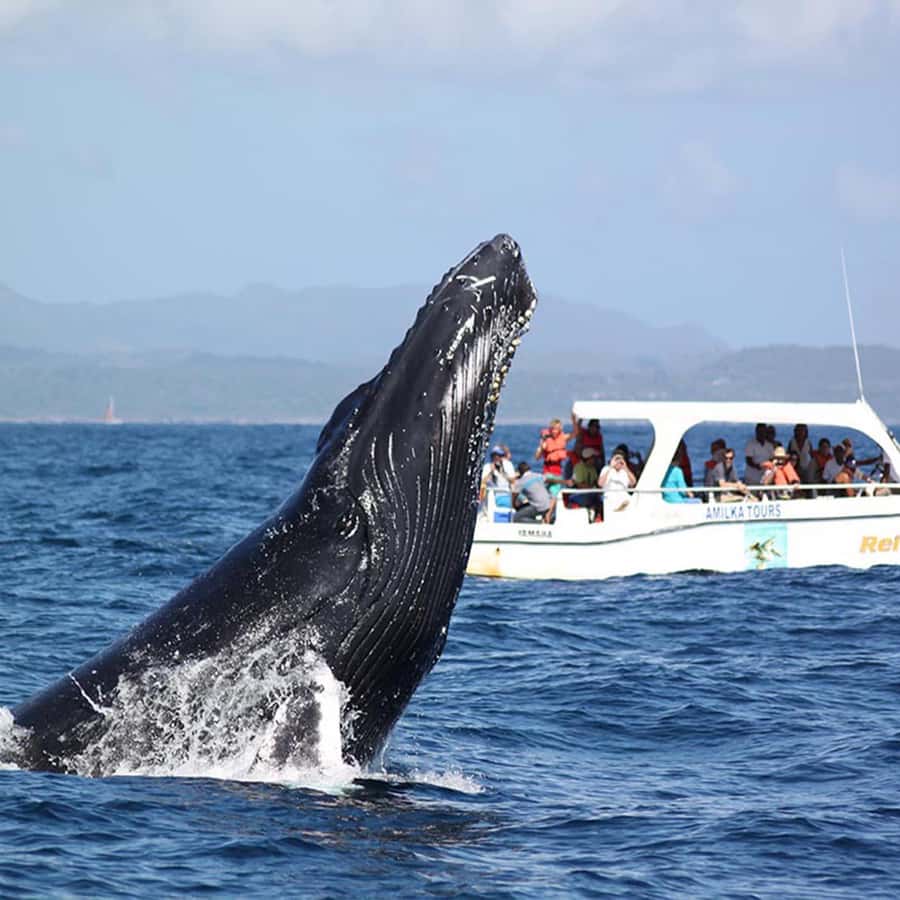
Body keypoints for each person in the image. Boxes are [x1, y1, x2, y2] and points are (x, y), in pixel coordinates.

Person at [535, 417, 574, 482]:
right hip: (547, 472)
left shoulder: (563, 438)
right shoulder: (546, 441)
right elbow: (537, 457)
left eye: (556, 429)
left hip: (558, 472)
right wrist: (541, 447)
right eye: (553, 429)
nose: (554, 431)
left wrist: (575, 420)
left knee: (557, 487)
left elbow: (575, 433)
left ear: (560, 429)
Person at [570, 447, 600, 511]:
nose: (595, 459)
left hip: (590, 493)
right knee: (592, 499)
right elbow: (580, 485)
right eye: (593, 457)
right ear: (589, 458)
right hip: (578, 494)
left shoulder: (593, 469)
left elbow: (596, 482)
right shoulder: (578, 467)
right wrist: (593, 488)